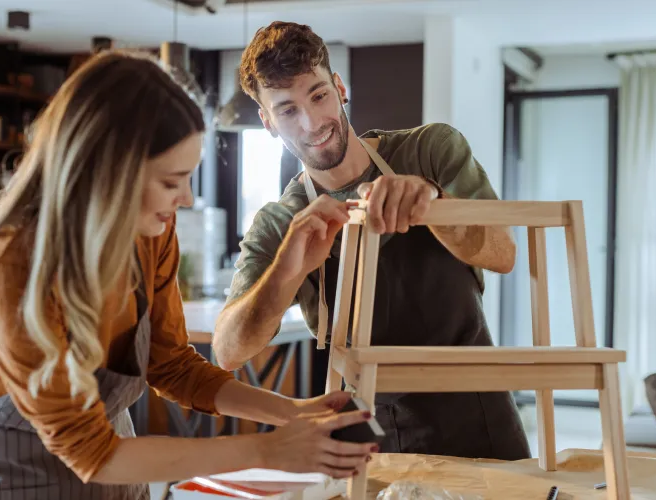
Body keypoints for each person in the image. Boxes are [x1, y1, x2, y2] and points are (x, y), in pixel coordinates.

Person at [0, 50, 377, 499]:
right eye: (172, 182)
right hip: (16, 485)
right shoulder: (4, 266)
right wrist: (268, 450)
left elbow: (174, 368)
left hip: (121, 477)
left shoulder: (147, 237)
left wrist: (296, 414)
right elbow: (91, 452)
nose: (186, 199)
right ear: (109, 173)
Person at [213, 21, 531, 461]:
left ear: (339, 88)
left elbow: (504, 254)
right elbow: (229, 351)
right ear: (267, 122)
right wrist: (288, 267)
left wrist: (433, 204)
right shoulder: (280, 222)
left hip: (479, 412)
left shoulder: (431, 151)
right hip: (370, 432)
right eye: (287, 110)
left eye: (318, 96)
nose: (311, 123)